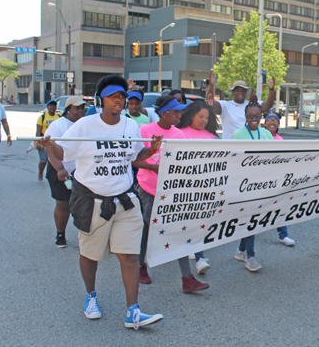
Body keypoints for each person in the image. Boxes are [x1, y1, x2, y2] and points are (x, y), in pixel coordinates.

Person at [40, 75, 163, 329]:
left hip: (126, 200)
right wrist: (50, 146)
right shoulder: (85, 125)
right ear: (101, 100)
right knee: (90, 254)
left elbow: (134, 155)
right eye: (113, 96)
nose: (119, 100)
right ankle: (91, 296)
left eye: (122, 96)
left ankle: (133, 311)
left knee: (130, 256)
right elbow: (64, 152)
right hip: (93, 201)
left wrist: (151, 149)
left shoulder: (130, 126)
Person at [133, 95, 210, 293]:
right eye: (176, 111)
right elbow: (133, 161)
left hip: (169, 189)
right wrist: (155, 168)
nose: (179, 115)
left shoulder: (178, 135)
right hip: (147, 187)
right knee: (149, 227)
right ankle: (141, 267)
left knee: (176, 229)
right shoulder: (145, 130)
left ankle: (187, 279)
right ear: (164, 113)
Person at [176, 101, 219, 274]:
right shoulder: (180, 134)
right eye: (200, 116)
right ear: (192, 115)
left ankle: (195, 250)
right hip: (185, 186)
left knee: (200, 222)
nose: (203, 120)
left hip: (205, 185)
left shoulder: (210, 135)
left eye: (207, 118)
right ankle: (199, 257)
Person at [232, 101, 273, 271]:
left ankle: (241, 251)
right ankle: (251, 256)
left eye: (258, 116)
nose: (254, 119)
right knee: (251, 219)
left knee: (251, 218)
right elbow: (234, 161)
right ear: (245, 116)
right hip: (245, 184)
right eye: (250, 116)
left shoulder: (266, 134)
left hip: (263, 183)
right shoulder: (238, 135)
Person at [44, 96, 86, 248]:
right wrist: (60, 169)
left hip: (82, 171)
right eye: (77, 108)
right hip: (60, 170)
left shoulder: (86, 124)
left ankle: (86, 236)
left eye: (83, 108)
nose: (81, 111)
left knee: (84, 205)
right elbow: (49, 147)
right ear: (68, 109)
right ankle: (60, 234)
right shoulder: (58, 125)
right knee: (63, 205)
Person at [206, 71, 275, 139]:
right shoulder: (225, 105)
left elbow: (268, 104)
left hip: (248, 145)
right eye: (237, 90)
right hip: (230, 147)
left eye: (243, 90)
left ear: (246, 92)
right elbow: (210, 101)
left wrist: (271, 89)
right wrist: (211, 85)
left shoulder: (252, 105)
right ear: (232, 92)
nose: (240, 92)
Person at [264, 112, 296, 247]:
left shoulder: (281, 139)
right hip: (260, 179)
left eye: (275, 120)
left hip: (276, 178)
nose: (272, 122)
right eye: (269, 120)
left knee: (280, 206)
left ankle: (283, 235)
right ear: (264, 123)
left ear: (278, 124)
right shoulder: (260, 137)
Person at [35, 100, 60, 182]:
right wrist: (37, 142)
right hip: (44, 142)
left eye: (54, 105)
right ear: (47, 107)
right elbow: (38, 131)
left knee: (55, 159)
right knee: (43, 160)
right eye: (51, 105)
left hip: (54, 142)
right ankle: (40, 172)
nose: (52, 107)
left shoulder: (58, 117)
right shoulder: (42, 117)